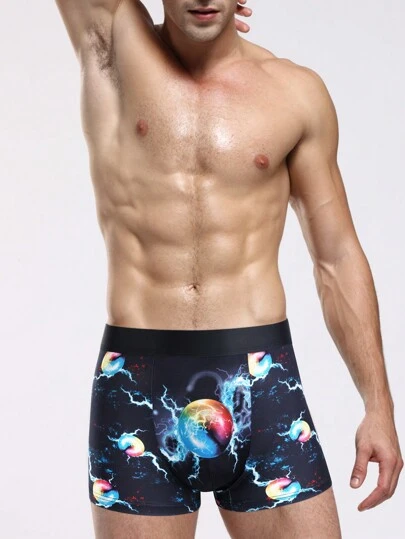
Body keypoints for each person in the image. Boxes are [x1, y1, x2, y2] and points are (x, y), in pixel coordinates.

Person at [55, 1, 403, 537]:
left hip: (262, 384)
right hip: (137, 384)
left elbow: (335, 256)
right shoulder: (114, 45)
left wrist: (378, 404)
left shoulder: (295, 94)